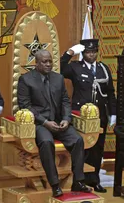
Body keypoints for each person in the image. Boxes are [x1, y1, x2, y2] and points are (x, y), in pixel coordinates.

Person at [17, 50, 92, 197]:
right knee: (46, 142)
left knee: (77, 140)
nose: (48, 64)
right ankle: (55, 184)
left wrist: (66, 119)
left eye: (50, 61)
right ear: (36, 63)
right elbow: (25, 106)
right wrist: (45, 122)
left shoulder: (58, 78)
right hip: (39, 123)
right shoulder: (26, 79)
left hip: (59, 122)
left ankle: (78, 181)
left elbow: (65, 101)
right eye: (44, 62)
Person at [60, 39, 117, 193]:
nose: (91, 55)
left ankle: (94, 180)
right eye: (87, 52)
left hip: (100, 115)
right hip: (80, 116)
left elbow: (110, 92)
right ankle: (79, 180)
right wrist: (70, 53)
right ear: (83, 53)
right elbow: (59, 69)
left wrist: (113, 113)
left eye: (93, 52)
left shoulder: (103, 69)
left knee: (97, 148)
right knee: (82, 148)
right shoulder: (75, 67)